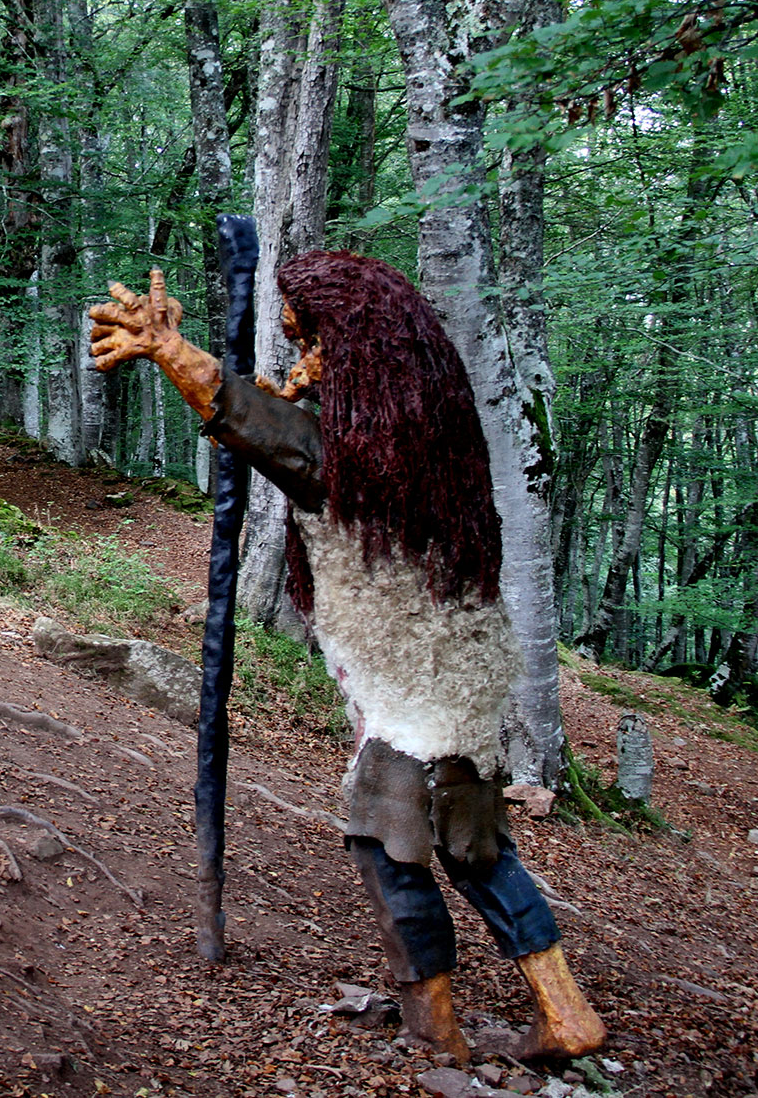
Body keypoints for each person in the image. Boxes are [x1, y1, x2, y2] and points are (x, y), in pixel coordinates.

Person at [88, 251, 605, 1065]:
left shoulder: (356, 465)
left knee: (386, 835)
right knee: (474, 845)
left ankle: (437, 1032)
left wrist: (168, 351)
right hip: (461, 682)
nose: (303, 362)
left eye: (315, 344)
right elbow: (288, 421)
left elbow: (264, 431)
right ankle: (564, 1009)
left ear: (361, 351)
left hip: (415, 697)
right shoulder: (427, 449)